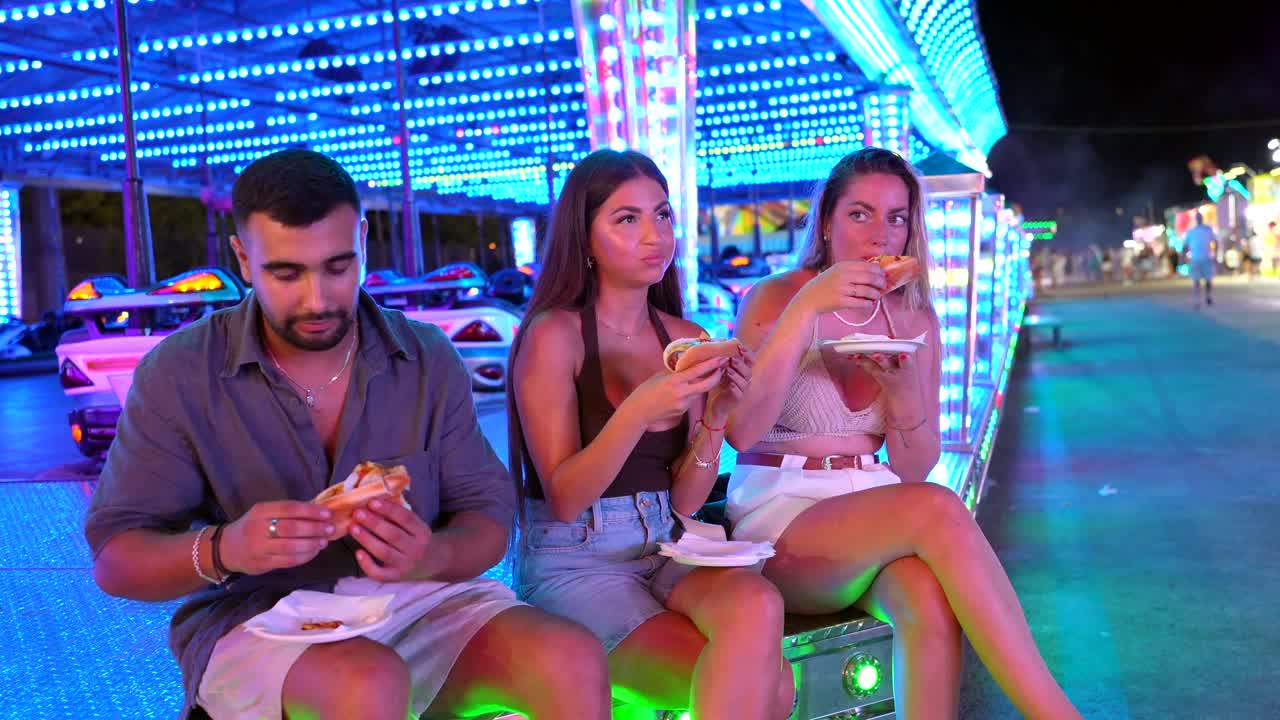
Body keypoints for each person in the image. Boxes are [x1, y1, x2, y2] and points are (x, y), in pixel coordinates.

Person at [84, 149, 612, 720]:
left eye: (338, 267)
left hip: (418, 598)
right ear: (242, 256)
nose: (317, 299)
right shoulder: (181, 371)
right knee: (365, 682)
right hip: (255, 616)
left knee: (571, 656)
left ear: (362, 238)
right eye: (286, 273)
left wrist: (429, 553)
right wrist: (227, 547)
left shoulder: (425, 357)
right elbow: (116, 561)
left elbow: (487, 518)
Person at [724, 148, 1082, 719]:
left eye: (896, 218)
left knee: (926, 598)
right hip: (780, 516)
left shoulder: (915, 319)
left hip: (870, 507)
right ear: (826, 223)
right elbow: (741, 431)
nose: (879, 235)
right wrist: (808, 308)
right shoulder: (774, 297)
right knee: (939, 509)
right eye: (860, 214)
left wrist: (905, 395)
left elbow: (912, 467)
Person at [509, 149, 795, 719]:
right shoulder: (553, 336)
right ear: (585, 239)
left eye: (662, 215)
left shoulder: (685, 334)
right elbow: (565, 497)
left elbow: (687, 499)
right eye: (627, 219)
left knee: (758, 603)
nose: (654, 235)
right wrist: (639, 409)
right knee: (766, 690)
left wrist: (716, 414)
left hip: (666, 538)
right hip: (576, 557)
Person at [1184, 212, 1217, 308]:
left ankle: (1208, 296)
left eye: (1200, 217)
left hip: (1206, 257)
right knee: (1196, 280)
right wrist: (1182, 258)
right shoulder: (1191, 231)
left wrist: (1215, 254)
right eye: (1197, 217)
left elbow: (1215, 241)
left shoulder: (1208, 229)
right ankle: (1197, 300)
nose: (1199, 219)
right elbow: (1185, 246)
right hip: (1195, 258)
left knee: (1208, 279)